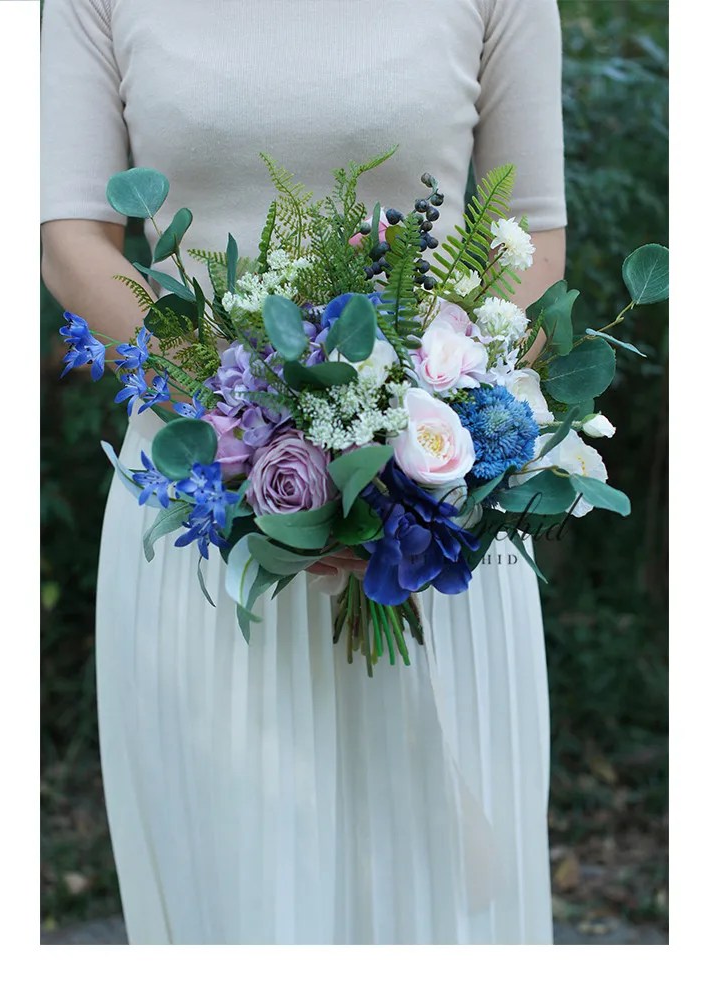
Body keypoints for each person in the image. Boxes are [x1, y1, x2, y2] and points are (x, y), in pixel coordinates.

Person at [40, 0, 567, 944]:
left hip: (430, 529)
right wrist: (247, 426)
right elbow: (72, 240)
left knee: (438, 912)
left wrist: (404, 438)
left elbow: (532, 240)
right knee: (236, 906)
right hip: (204, 528)